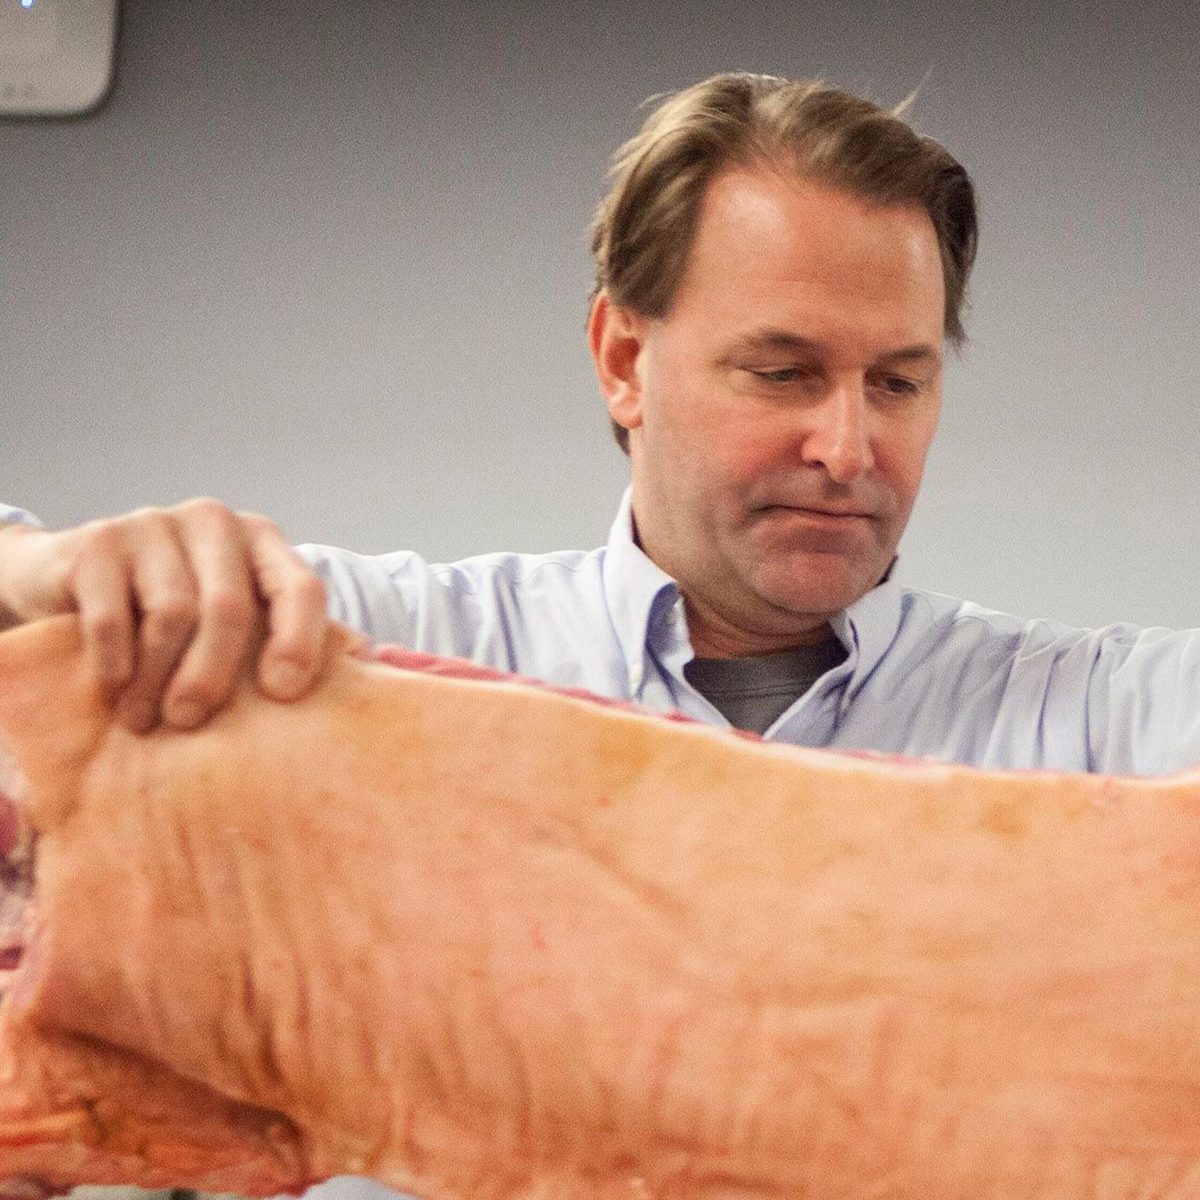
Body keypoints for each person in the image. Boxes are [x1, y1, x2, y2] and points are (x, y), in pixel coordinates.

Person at [1, 72, 1197, 774]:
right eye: (783, 372)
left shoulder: (1088, 721)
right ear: (625, 360)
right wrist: (46, 569)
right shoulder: (395, 656)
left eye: (897, 383)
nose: (848, 450)